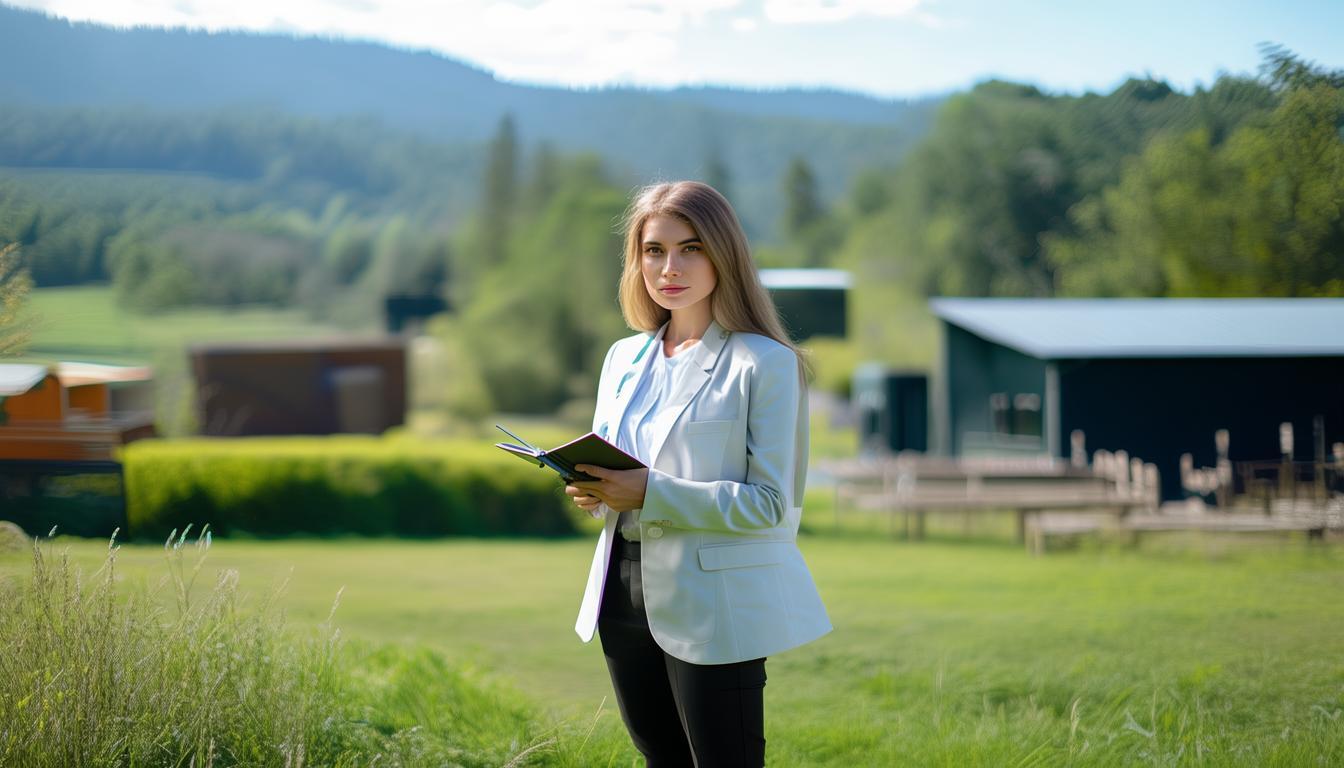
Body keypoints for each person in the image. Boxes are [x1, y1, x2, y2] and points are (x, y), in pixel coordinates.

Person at [566, 180, 831, 767]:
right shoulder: (623, 358)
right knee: (660, 758)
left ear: (723, 255)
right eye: (654, 250)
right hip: (620, 594)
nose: (670, 268)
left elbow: (771, 505)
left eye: (691, 248)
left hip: (714, 600)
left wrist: (650, 492)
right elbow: (618, 466)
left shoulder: (765, 362)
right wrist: (597, 490)